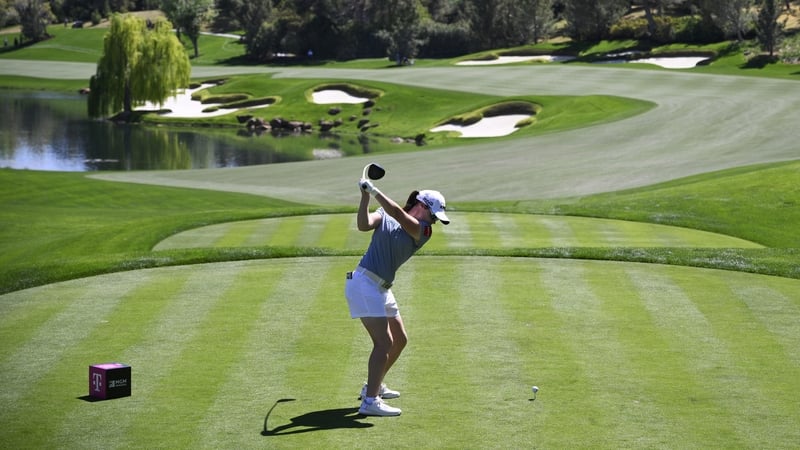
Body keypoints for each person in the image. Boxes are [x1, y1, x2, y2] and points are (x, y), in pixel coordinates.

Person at [345, 176, 450, 416]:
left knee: (399, 339)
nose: (434, 221)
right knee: (384, 343)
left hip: (382, 287)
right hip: (364, 283)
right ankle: (370, 401)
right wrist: (364, 197)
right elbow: (363, 224)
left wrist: (374, 190)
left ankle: (372, 386)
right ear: (421, 205)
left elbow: (399, 214)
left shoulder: (423, 230)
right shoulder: (385, 215)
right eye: (433, 214)